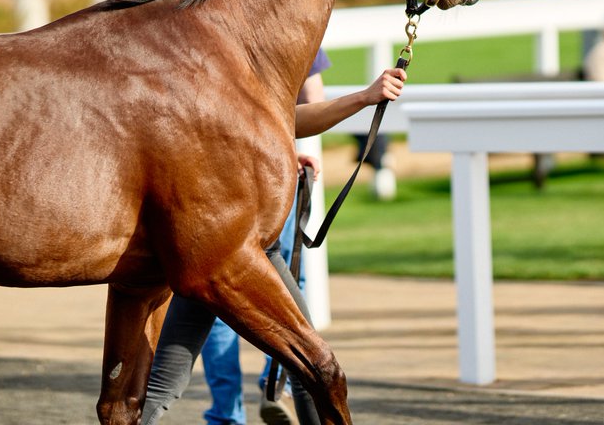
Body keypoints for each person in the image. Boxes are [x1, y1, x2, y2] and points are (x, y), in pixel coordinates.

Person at [142, 66, 407, 425]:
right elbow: (269, 121)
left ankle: (225, 415)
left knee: (165, 382)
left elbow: (257, 126)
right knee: (314, 365)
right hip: (234, 241)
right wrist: (365, 97)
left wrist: (280, 155)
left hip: (217, 240)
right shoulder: (221, 46)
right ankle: (229, 413)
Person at [200, 48, 331, 425]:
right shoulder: (295, 27)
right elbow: (313, 97)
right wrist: (288, 147)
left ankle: (226, 414)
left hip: (215, 183)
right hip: (271, 178)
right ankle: (276, 385)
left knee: (221, 299)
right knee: (287, 285)